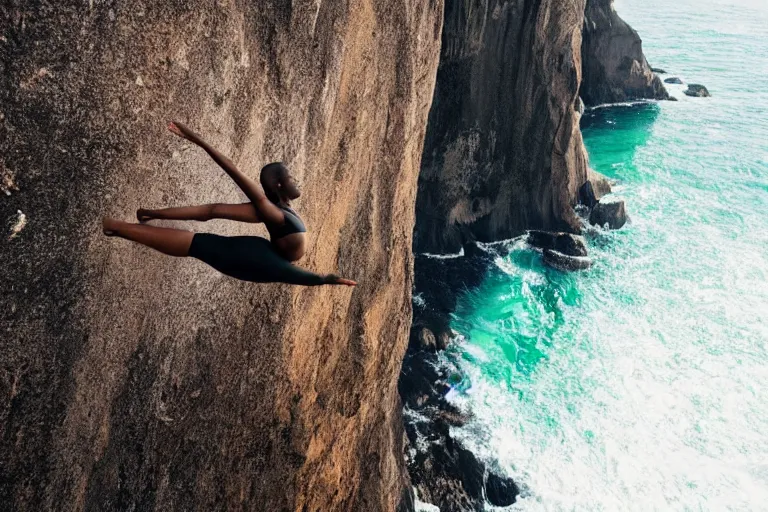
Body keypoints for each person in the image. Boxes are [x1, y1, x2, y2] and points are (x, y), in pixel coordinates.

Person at [102, 121, 356, 287]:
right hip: (260, 259)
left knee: (199, 242)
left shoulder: (277, 211)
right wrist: (196, 139)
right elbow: (229, 173)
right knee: (196, 244)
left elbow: (211, 211)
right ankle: (114, 225)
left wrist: (154, 213)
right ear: (278, 185)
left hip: (263, 258)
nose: (296, 180)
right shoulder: (271, 212)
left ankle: (129, 223)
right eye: (290, 177)